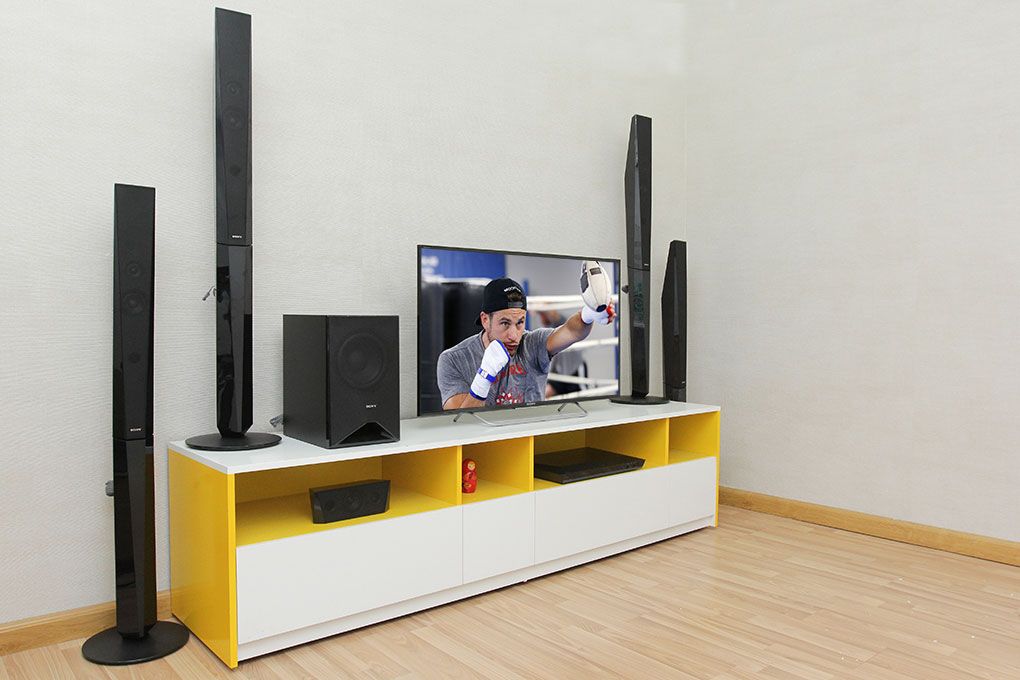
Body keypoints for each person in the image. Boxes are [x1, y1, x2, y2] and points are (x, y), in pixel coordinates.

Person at [437, 271, 613, 410]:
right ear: (485, 320)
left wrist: (589, 314)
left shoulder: (532, 344)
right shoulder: (453, 359)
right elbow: (459, 424)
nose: (514, 335)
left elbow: (572, 331)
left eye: (519, 323)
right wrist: (484, 377)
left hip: (531, 435)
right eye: (505, 323)